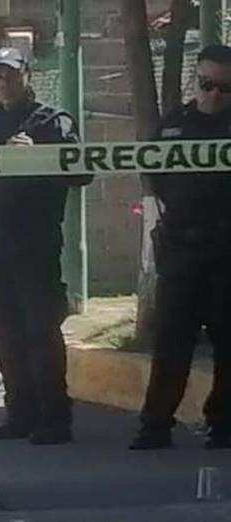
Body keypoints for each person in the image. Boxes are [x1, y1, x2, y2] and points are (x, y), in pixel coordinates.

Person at [0, 47, 93, 445]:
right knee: (5, 334)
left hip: (36, 243)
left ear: (28, 75)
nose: (3, 82)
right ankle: (20, 412)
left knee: (40, 331)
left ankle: (54, 417)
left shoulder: (52, 122)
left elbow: (82, 171)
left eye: (11, 74)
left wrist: (41, 156)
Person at [130, 45, 231, 450]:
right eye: (207, 85)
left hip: (227, 250)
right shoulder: (176, 125)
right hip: (182, 249)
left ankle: (223, 424)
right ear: (196, 82)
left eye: (225, 88)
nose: (214, 95)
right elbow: (153, 173)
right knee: (171, 341)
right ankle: (155, 424)